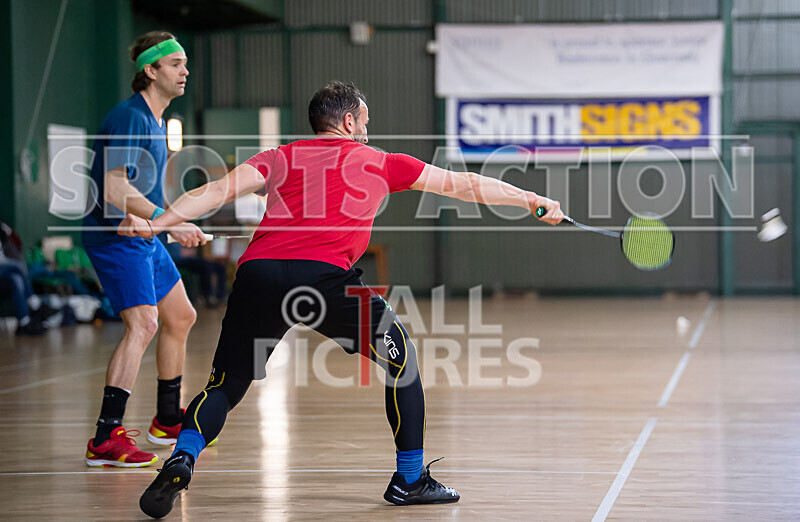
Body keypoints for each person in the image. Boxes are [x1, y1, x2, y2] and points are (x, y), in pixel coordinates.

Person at [120, 81, 564, 517]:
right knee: (402, 361)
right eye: (365, 122)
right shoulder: (381, 161)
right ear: (348, 121)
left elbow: (215, 192)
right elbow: (464, 185)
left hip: (257, 276)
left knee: (225, 385)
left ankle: (182, 457)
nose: (369, 132)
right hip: (325, 282)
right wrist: (530, 199)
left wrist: (160, 223)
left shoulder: (279, 157)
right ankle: (409, 480)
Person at [82, 31, 208, 468]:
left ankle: (167, 419)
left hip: (143, 235)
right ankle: (105, 437)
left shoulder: (156, 121)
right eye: (175, 63)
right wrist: (169, 220)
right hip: (115, 237)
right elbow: (114, 187)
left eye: (185, 62)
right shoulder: (131, 116)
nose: (184, 70)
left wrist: (161, 223)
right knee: (144, 323)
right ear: (150, 71)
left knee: (181, 316)